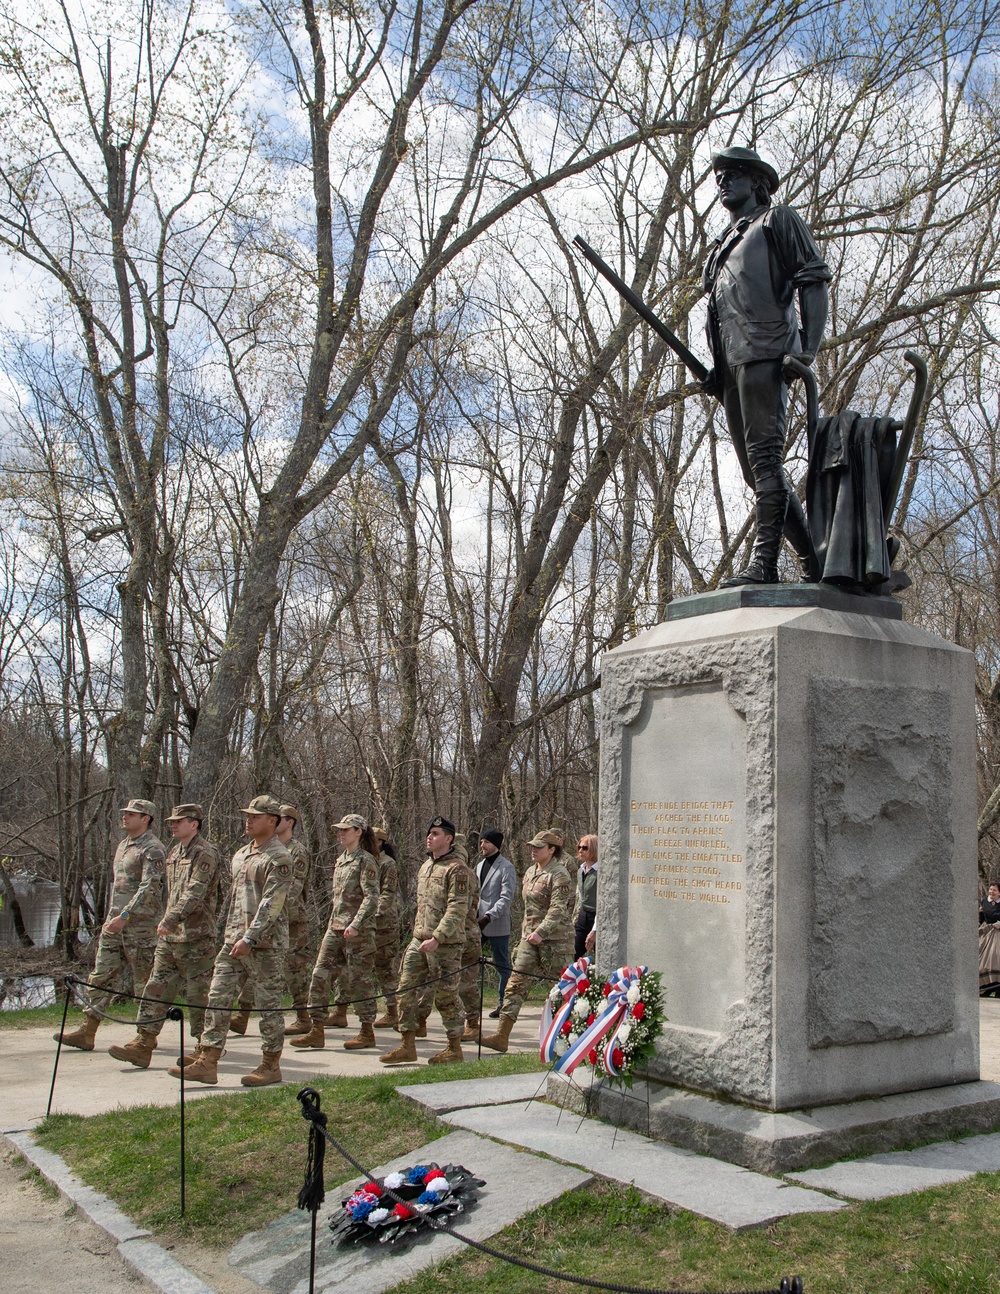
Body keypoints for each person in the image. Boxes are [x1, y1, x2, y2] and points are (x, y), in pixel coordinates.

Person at [701, 145, 831, 586]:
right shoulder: (721, 247)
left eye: (733, 174)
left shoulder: (777, 220)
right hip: (733, 366)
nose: (723, 182)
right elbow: (721, 313)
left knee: (766, 461)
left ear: (757, 182)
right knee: (756, 472)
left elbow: (812, 277)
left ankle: (765, 564)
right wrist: (717, 368)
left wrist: (807, 349)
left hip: (766, 351)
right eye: (719, 176)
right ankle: (815, 562)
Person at [170, 794, 292, 1087]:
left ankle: (270, 1064)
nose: (248, 821)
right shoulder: (241, 854)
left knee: (267, 1005)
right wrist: (229, 933)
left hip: (265, 943)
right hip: (233, 940)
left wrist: (250, 937)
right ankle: (208, 1060)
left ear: (272, 821)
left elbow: (272, 903)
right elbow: (233, 899)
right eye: (247, 816)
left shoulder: (279, 857)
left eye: (255, 817)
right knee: (218, 997)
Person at [108, 803, 222, 1068]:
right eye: (171, 821)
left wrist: (171, 919)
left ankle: (203, 1048)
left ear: (194, 824)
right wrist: (166, 920)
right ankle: (144, 1042)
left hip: (196, 937)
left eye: (179, 821)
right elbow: (169, 893)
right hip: (170, 937)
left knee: (198, 995)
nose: (173, 825)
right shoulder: (173, 852)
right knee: (155, 988)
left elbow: (195, 891)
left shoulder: (205, 853)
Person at [54, 798, 166, 1052]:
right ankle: (88, 1030)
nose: (125, 816)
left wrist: (125, 915)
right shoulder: (123, 845)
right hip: (114, 925)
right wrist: (111, 918)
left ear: (145, 819)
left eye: (131, 814)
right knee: (101, 975)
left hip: (140, 927)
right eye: (125, 813)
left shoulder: (153, 849)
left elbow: (150, 887)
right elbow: (119, 887)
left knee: (145, 983)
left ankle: (145, 1037)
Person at [379, 815, 470, 1066]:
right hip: (418, 939)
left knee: (446, 996)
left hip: (445, 945)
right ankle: (407, 1045)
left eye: (436, 834)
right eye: (429, 833)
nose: (429, 837)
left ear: (448, 839)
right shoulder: (425, 866)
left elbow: (457, 908)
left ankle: (454, 1048)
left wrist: (438, 937)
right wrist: (418, 934)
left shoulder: (457, 869)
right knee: (405, 990)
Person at [290, 814, 380, 1051]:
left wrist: (356, 924)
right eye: (339, 829)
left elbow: (372, 897)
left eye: (346, 830)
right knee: (319, 974)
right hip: (336, 927)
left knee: (359, 980)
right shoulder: (341, 860)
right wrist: (333, 924)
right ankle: (316, 1029)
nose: (341, 833)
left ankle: (366, 1030)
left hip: (358, 932)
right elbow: (338, 900)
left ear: (358, 832)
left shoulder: (366, 860)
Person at [480, 829, 573, 1053]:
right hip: (529, 939)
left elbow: (558, 908)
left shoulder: (559, 874)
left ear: (551, 850)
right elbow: (528, 909)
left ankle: (568, 1039)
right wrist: (527, 934)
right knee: (515, 984)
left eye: (539, 847)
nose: (533, 850)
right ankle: (501, 1036)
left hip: (556, 942)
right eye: (532, 847)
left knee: (561, 990)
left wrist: (541, 931)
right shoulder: (531, 871)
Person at [476, 828, 515, 1018]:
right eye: (481, 841)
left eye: (486, 842)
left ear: (496, 845)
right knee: (469, 961)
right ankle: (471, 1003)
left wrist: (489, 916)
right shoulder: (479, 866)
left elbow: (506, 898)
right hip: (477, 924)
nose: (482, 845)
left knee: (502, 965)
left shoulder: (506, 867)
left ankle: (503, 1004)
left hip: (497, 924)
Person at [371, 828, 402, 1030]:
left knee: (385, 968)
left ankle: (393, 1011)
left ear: (380, 842)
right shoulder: (366, 861)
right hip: (364, 924)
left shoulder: (387, 864)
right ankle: (341, 1009)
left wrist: (372, 914)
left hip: (384, 925)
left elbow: (387, 894)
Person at [573, 834, 599, 959]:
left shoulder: (601, 872)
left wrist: (595, 930)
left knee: (602, 957)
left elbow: (604, 904)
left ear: (594, 849)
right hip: (583, 917)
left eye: (585, 848)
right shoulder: (580, 870)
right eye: (579, 847)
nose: (580, 850)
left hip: (597, 918)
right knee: (573, 953)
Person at [980, 883, 1000, 996]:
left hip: (998, 932)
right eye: (991, 889)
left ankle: (997, 988)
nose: (992, 892)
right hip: (987, 932)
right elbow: (982, 916)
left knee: (995, 958)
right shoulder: (984, 901)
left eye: (994, 890)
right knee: (982, 959)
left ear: (999, 893)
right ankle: (987, 986)